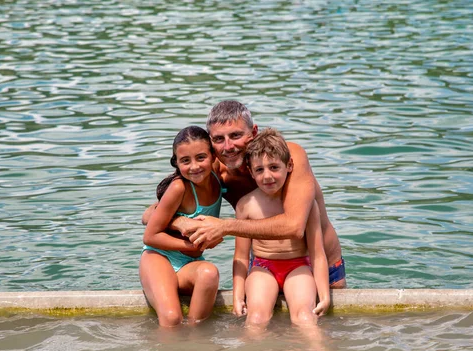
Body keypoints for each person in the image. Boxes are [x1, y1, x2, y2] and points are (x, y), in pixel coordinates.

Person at [142, 100, 346, 288]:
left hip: (319, 264)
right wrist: (181, 222)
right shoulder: (211, 171)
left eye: (236, 135)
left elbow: (294, 226)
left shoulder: (287, 158)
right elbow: (150, 214)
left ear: (254, 132)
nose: (228, 147)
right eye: (219, 139)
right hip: (265, 268)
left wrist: (225, 226)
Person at [232, 128, 330, 328]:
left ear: (290, 165)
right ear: (250, 172)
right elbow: (241, 256)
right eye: (259, 170)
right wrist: (237, 294)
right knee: (256, 318)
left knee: (304, 317)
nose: (267, 176)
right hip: (262, 267)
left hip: (298, 266)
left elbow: (318, 254)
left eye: (274, 167)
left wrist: (325, 295)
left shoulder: (305, 205)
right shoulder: (246, 205)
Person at [140, 126, 224, 327]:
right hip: (159, 258)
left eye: (201, 157)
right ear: (176, 163)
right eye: (185, 161)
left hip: (189, 264)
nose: (194, 167)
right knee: (171, 318)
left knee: (209, 273)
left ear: (213, 156)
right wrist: (193, 246)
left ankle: (195, 341)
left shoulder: (218, 176)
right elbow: (150, 236)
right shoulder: (179, 187)